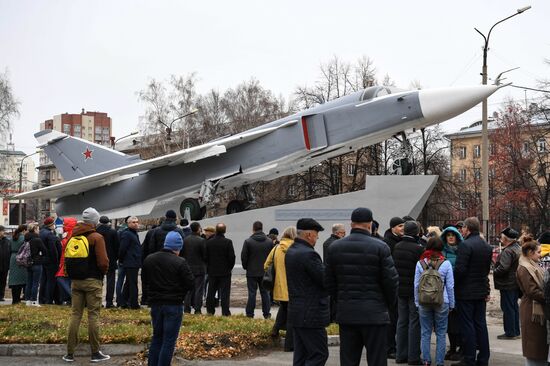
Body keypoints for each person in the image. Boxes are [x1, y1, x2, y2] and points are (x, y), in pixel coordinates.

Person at [326, 208, 398, 366]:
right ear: (370, 224)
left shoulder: (335, 247)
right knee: (377, 359)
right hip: (375, 313)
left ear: (351, 224)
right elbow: (391, 281)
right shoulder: (381, 247)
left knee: (349, 360)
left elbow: (330, 282)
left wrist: (341, 301)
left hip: (347, 312)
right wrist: (387, 305)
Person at [63, 207, 110, 363]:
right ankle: (95, 352)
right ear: (95, 221)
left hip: (76, 281)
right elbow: (103, 262)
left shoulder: (73, 236)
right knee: (93, 315)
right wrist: (102, 273)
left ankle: (69, 353)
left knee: (75, 315)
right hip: (93, 281)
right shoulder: (97, 237)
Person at [143, 231, 194, 366]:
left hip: (156, 304)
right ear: (178, 247)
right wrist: (180, 292)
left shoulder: (150, 259)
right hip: (174, 304)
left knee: (157, 338)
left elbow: (145, 280)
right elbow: (190, 283)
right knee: (168, 341)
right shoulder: (180, 262)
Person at [286, 218, 329, 366]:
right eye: (317, 235)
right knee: (319, 354)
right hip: (311, 313)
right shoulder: (309, 254)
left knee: (301, 355)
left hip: (297, 311)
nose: (317, 238)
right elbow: (324, 280)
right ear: (309, 235)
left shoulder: (292, 250)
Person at [452, 217, 492, 366]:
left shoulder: (465, 245)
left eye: (462, 228)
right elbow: (486, 271)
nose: (461, 230)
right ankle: (483, 358)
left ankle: (469, 358)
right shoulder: (486, 247)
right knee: (481, 324)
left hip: (466, 292)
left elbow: (460, 270)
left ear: (467, 228)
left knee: (467, 325)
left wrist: (453, 282)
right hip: (480, 291)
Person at [414, 236, 455, 366]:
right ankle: (439, 362)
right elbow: (450, 286)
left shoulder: (420, 263)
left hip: (424, 302)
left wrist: (417, 302)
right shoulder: (446, 263)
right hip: (442, 301)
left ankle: (426, 361)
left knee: (425, 332)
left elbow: (416, 285)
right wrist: (452, 304)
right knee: (441, 333)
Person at [393, 221, 424, 365]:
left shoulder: (397, 247)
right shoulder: (418, 249)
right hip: (413, 290)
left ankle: (400, 355)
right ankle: (413, 357)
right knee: (414, 322)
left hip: (400, 289)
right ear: (416, 232)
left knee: (401, 321)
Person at [516, 236, 547, 366]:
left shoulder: (531, 265)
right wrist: (547, 297)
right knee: (533, 344)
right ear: (530, 253)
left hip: (535, 307)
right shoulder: (524, 268)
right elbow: (532, 291)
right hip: (531, 310)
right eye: (538, 252)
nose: (540, 255)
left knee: (538, 343)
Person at [265, 226, 296, 351]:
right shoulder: (296, 248)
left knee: (284, 308)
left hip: (279, 288)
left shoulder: (276, 248)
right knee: (291, 316)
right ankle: (289, 345)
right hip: (293, 287)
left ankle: (275, 329)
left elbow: (266, 265)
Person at [493, 227, 522, 340]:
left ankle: (510, 332)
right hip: (514, 283)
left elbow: (503, 267)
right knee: (513, 307)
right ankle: (515, 331)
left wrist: (495, 272)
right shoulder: (517, 248)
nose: (500, 239)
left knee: (508, 308)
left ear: (506, 239)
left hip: (507, 283)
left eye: (502, 237)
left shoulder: (508, 251)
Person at [241, 221, 273, 319]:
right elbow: (272, 257)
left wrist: (246, 267)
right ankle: (266, 314)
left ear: (253, 229)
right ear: (262, 228)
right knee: (265, 293)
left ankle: (250, 314)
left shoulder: (248, 241)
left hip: (252, 272)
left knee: (252, 293)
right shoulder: (269, 242)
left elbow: (244, 257)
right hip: (265, 272)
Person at [440, 225, 464, 361]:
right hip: (445, 291)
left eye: (453, 235)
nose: (450, 237)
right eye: (448, 235)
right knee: (449, 321)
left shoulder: (462, 250)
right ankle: (453, 347)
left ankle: (460, 347)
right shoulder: (442, 252)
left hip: (459, 289)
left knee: (458, 320)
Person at [384, 216, 404, 359]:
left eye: (403, 226)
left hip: (399, 284)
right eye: (399, 226)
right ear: (393, 228)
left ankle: (393, 346)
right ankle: (389, 347)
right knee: (392, 318)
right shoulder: (389, 243)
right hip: (392, 285)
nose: (402, 228)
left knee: (397, 318)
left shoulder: (398, 241)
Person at [205, 223, 235, 316]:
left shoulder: (209, 242)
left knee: (211, 291)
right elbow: (232, 258)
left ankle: (210, 310)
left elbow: (206, 257)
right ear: (225, 231)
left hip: (212, 271)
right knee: (225, 293)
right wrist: (229, 268)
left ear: (216, 231)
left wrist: (208, 267)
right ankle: (225, 311)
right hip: (225, 272)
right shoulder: (228, 242)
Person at [180, 222, 206, 314]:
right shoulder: (201, 240)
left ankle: (186, 308)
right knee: (199, 290)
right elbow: (205, 255)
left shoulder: (185, 240)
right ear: (198, 229)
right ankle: (197, 309)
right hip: (199, 269)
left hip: (188, 268)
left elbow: (182, 254)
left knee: (188, 289)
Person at [95, 215, 119, 308]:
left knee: (98, 281)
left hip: (98, 259)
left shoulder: (96, 231)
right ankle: (109, 302)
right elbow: (117, 247)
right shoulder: (113, 232)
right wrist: (115, 258)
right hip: (111, 260)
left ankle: (98, 301)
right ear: (108, 222)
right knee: (111, 281)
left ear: (100, 222)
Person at [118, 216, 141, 309]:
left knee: (128, 283)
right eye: (133, 222)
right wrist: (121, 260)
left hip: (134, 261)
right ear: (128, 223)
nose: (136, 223)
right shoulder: (127, 234)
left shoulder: (134, 233)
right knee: (132, 283)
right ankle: (133, 303)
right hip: (130, 262)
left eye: (137, 222)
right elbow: (122, 248)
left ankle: (123, 302)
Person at [39, 217, 62, 304]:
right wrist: (57, 261)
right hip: (51, 261)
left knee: (43, 280)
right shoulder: (50, 235)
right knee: (51, 281)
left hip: (43, 260)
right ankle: (49, 299)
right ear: (51, 225)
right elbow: (53, 250)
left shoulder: (41, 233)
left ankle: (42, 299)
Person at [55, 217, 77, 305]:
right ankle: (69, 299)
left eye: (64, 224)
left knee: (61, 278)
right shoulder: (70, 234)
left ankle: (73, 298)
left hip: (66, 261)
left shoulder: (69, 236)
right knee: (66, 280)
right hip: (67, 261)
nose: (63, 226)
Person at [25, 223, 47, 307]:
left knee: (29, 282)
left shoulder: (26, 238)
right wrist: (40, 256)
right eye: (38, 229)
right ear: (34, 229)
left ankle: (27, 301)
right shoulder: (37, 239)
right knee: (36, 283)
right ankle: (34, 301)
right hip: (37, 263)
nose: (39, 231)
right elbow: (45, 251)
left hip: (28, 263)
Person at [8, 224, 28, 304]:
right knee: (21, 280)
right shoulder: (23, 238)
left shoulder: (12, 238)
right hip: (21, 258)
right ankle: (18, 299)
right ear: (24, 230)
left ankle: (14, 299)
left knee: (14, 280)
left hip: (13, 258)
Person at [0, 225, 10, 301]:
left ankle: (1, 296)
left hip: (5, 265)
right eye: (3, 231)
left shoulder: (7, 241)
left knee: (3, 281)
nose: (4, 232)